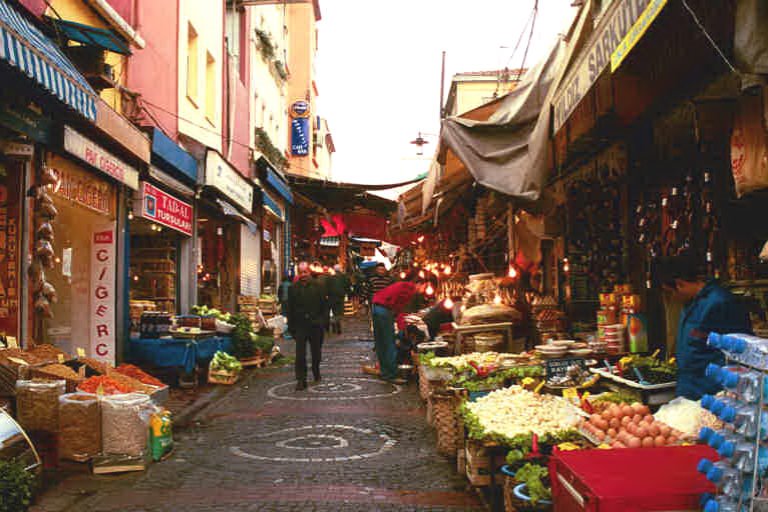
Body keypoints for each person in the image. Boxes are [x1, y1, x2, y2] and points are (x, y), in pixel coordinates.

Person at [656, 254, 752, 400]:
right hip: (688, 389)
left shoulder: (721, 302)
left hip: (712, 391)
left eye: (670, 292)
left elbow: (742, 349)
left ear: (680, 284)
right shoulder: (688, 304)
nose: (672, 298)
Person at [370, 277, 429, 383]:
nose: (424, 290)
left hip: (376, 307)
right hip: (384, 310)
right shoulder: (409, 289)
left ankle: (384, 372)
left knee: (380, 342)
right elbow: (399, 308)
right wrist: (402, 327)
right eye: (425, 287)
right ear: (419, 284)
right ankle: (391, 374)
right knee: (389, 342)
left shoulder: (403, 285)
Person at [287, 262, 328, 390]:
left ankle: (316, 370)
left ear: (309, 273)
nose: (303, 275)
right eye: (301, 272)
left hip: (315, 325)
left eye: (305, 272)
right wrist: (291, 326)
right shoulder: (293, 288)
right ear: (298, 273)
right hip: (300, 325)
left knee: (316, 352)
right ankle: (301, 379)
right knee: (300, 355)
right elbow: (290, 308)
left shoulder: (319, 286)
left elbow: (324, 306)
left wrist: (323, 322)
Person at [327, 264, 350, 334]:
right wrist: (347, 294)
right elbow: (347, 286)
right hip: (340, 297)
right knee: (339, 312)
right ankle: (337, 325)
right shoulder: (344, 277)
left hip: (332, 297)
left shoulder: (331, 278)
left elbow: (328, 288)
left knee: (334, 312)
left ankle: (335, 324)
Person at [277, 272, 293, 340]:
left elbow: (279, 294)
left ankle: (284, 329)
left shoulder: (281, 285)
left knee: (284, 314)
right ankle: (288, 329)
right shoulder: (291, 285)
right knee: (289, 315)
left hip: (283, 301)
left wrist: (279, 301)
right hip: (289, 302)